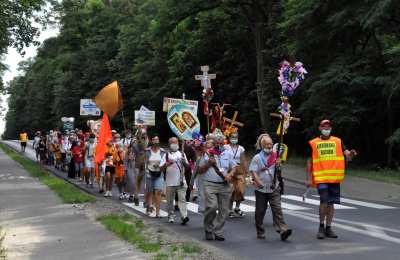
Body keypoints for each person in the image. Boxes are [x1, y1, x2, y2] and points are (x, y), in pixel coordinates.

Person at [307, 119, 357, 239]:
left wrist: (351, 154)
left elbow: (347, 154)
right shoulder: (314, 143)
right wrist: (309, 179)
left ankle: (328, 228)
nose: (327, 129)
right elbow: (309, 162)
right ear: (320, 128)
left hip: (334, 178)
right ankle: (321, 227)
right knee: (324, 201)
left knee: (331, 203)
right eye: (324, 127)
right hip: (321, 177)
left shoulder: (337, 141)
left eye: (328, 127)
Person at [249, 134, 292, 241]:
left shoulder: (276, 156)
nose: (269, 146)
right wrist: (258, 182)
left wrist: (279, 164)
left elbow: (279, 172)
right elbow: (253, 171)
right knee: (260, 211)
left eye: (271, 144)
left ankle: (283, 229)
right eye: (267, 144)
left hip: (274, 187)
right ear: (262, 145)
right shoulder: (257, 158)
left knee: (277, 209)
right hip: (261, 189)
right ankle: (260, 231)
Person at [198, 132, 236, 241]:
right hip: (210, 184)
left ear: (224, 142)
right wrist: (208, 164)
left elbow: (234, 167)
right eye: (217, 142)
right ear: (213, 143)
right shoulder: (207, 153)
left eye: (221, 142)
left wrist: (230, 175)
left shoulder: (227, 153)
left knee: (225, 210)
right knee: (212, 207)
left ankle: (218, 231)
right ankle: (208, 229)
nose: (219, 144)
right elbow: (200, 170)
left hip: (224, 185)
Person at [163, 137, 189, 225]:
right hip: (170, 182)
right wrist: (167, 164)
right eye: (172, 142)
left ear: (178, 143)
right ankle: (170, 215)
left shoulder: (182, 153)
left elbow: (188, 167)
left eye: (176, 142)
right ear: (169, 144)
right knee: (170, 201)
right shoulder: (166, 155)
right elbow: (161, 168)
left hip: (181, 181)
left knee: (182, 199)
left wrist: (184, 162)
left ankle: (184, 216)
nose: (174, 144)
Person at [224, 131, 248, 218]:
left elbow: (244, 160)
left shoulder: (241, 148)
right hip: (229, 170)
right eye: (232, 137)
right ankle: (229, 210)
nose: (234, 139)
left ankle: (237, 208)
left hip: (239, 170)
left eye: (236, 137)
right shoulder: (225, 147)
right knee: (231, 190)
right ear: (229, 138)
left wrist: (246, 172)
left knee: (240, 190)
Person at [145, 135, 166, 217]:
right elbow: (144, 162)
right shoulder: (147, 151)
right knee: (149, 191)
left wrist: (160, 165)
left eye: (157, 140)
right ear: (151, 141)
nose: (156, 141)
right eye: (154, 140)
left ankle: (158, 212)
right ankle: (149, 207)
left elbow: (165, 162)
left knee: (158, 192)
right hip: (149, 173)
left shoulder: (163, 151)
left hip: (159, 173)